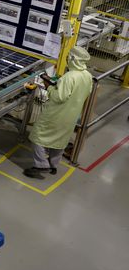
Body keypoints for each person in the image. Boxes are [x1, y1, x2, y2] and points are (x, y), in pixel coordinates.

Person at [24, 47, 93, 179]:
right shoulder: (87, 76)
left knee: (38, 137)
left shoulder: (69, 77)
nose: (67, 58)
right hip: (71, 116)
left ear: (73, 59)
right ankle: (53, 165)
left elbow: (59, 97)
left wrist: (48, 86)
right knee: (60, 141)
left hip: (56, 115)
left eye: (69, 56)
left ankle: (41, 165)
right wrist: (59, 84)